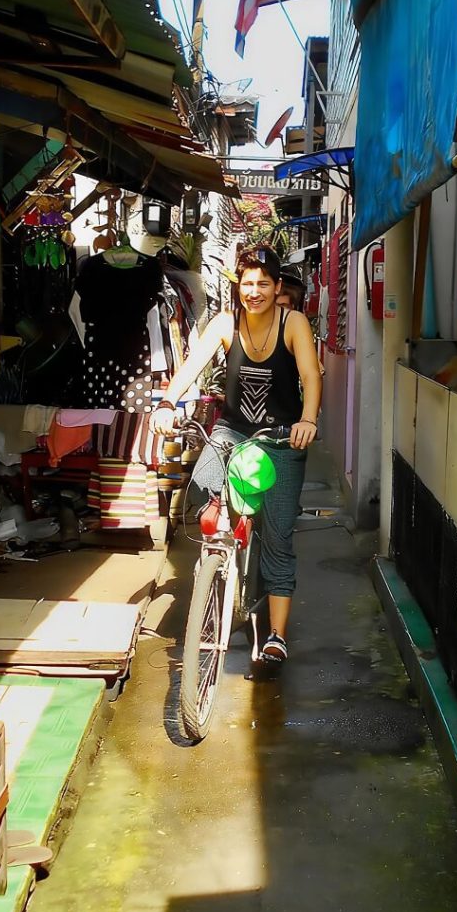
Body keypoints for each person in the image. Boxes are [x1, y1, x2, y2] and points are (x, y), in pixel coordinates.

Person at [150, 245, 322, 664]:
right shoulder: (226, 323)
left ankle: (277, 635)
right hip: (231, 430)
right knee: (203, 485)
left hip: (282, 437)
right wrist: (168, 402)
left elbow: (310, 375)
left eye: (264, 283)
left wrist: (309, 420)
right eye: (247, 283)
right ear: (238, 288)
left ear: (277, 286)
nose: (255, 291)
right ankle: (222, 555)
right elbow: (191, 365)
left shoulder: (293, 322)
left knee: (279, 536)